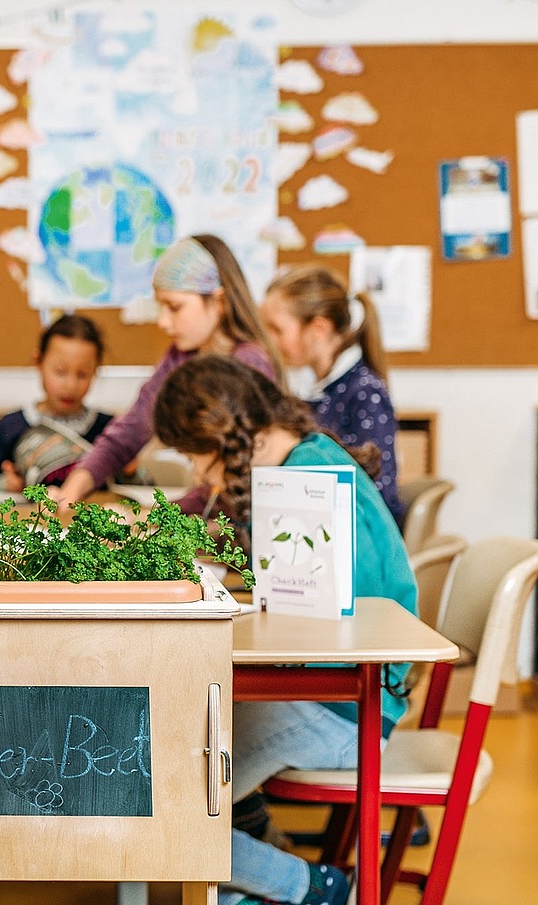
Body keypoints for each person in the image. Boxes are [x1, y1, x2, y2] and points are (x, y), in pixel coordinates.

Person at [153, 354, 418, 905]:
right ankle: (248, 857)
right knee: (185, 757)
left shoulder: (306, 480)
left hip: (344, 705)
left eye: (194, 456)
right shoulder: (309, 456)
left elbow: (313, 624)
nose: (199, 474)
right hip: (337, 689)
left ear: (221, 437)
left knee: (162, 801)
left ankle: (308, 888)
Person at [50, 234, 283, 512]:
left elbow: (233, 483)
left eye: (174, 307)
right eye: (160, 306)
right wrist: (73, 489)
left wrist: (159, 516)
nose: (163, 321)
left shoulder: (250, 365)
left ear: (218, 302)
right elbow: (132, 428)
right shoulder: (180, 356)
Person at [260, 263, 405, 526]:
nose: (269, 341)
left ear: (317, 330)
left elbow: (376, 494)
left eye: (277, 329)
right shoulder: (313, 392)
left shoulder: (365, 393)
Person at [0, 313, 113, 491]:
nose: (70, 385)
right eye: (60, 371)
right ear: (39, 363)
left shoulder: (110, 429)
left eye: (82, 374)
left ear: (96, 369)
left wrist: (130, 471)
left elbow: (138, 488)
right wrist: (6, 485)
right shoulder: (10, 427)